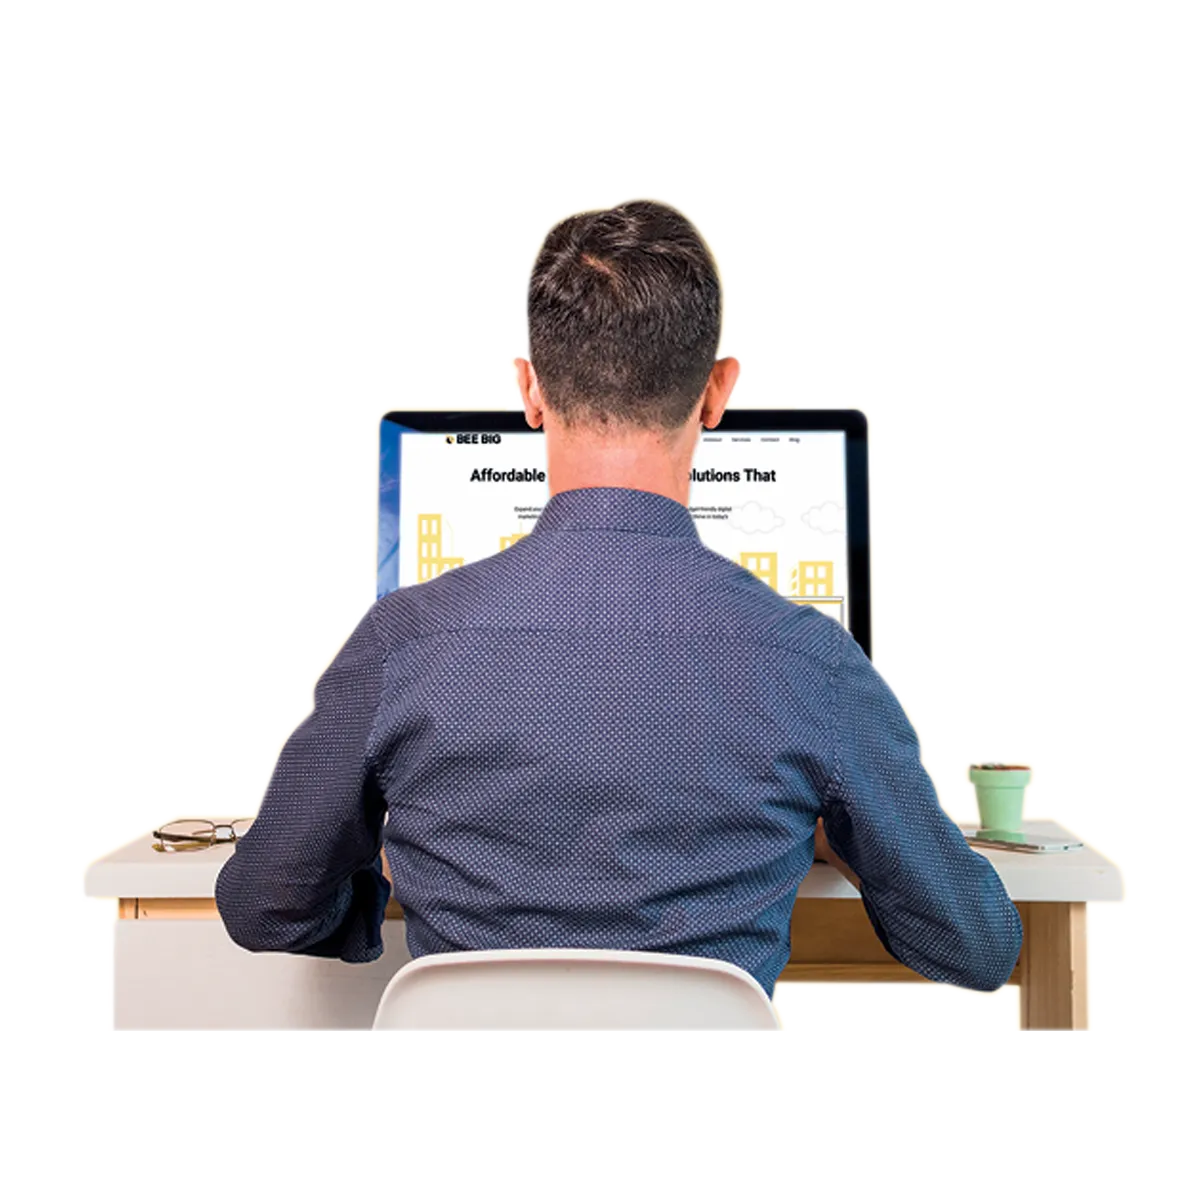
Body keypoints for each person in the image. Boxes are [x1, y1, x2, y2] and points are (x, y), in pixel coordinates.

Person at [215, 198, 1022, 997]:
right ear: (719, 391)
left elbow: (263, 906)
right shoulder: (809, 663)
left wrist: (386, 878)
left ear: (527, 391)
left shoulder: (402, 642)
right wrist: (836, 829)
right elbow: (977, 948)